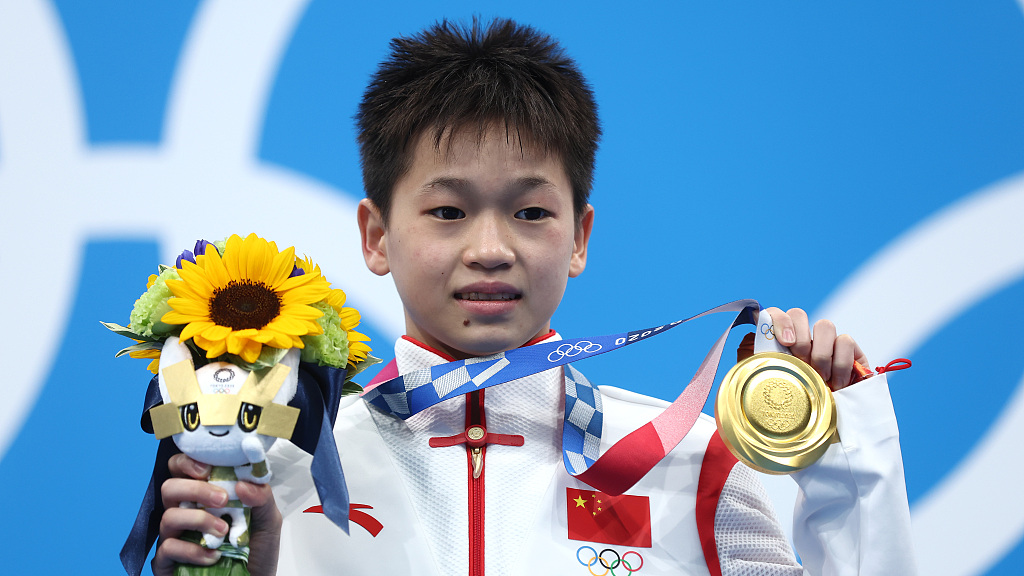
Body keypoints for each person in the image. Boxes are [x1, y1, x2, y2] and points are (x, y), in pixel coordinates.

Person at [152, 18, 915, 576]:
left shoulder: (692, 459)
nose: (491, 248)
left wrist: (844, 464)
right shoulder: (287, 471)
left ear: (579, 236)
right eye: (448, 211)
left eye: (530, 212)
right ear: (376, 235)